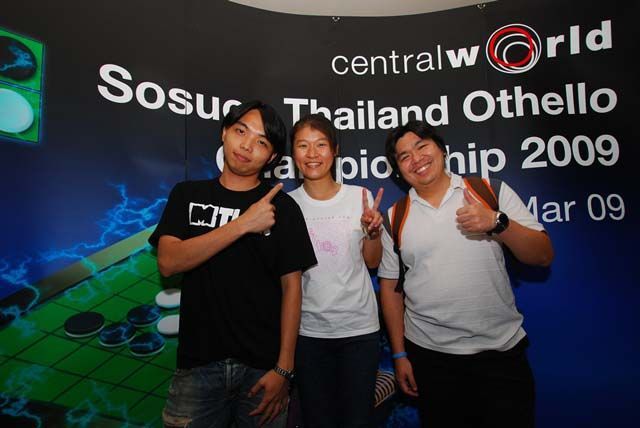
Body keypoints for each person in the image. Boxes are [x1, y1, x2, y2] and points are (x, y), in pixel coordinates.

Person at [149, 100, 317, 428]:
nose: (247, 145)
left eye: (261, 141)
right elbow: (168, 263)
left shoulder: (284, 208)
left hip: (263, 369)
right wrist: (243, 224)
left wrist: (284, 369)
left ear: (271, 157)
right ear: (224, 133)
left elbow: (293, 289)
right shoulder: (187, 194)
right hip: (197, 367)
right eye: (241, 131)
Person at [378, 121, 554, 428]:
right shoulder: (395, 216)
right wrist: (399, 355)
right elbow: (391, 288)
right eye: (404, 156)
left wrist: (497, 222)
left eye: (422, 146)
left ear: (442, 150)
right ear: (398, 170)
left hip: (500, 355)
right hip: (431, 359)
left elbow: (542, 255)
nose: (416, 159)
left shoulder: (489, 191)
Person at [287, 114, 384, 428]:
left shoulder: (359, 197)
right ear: (293, 153)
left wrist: (373, 233)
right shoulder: (286, 205)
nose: (312, 154)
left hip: (359, 332)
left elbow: (372, 262)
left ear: (335, 150)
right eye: (303, 145)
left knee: (357, 420)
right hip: (308, 333)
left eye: (320, 144)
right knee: (317, 420)